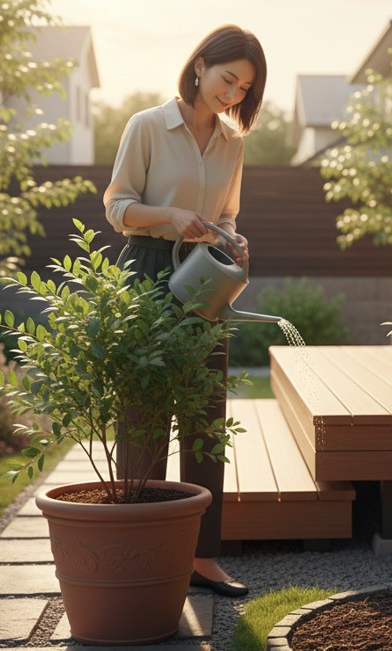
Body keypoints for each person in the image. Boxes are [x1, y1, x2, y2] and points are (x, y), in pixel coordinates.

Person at [103, 24, 267, 598]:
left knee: (205, 415)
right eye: (228, 79)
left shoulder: (233, 143)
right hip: (148, 271)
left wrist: (232, 238)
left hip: (203, 280)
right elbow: (117, 206)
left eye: (244, 88)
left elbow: (227, 215)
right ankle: (140, 548)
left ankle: (203, 556)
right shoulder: (147, 125)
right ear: (199, 66)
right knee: (143, 413)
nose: (233, 94)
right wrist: (171, 217)